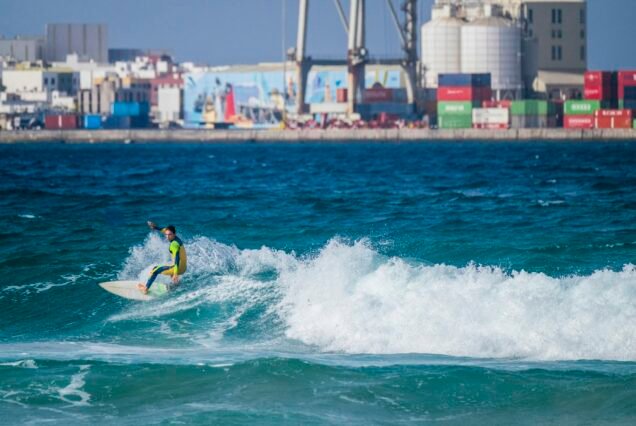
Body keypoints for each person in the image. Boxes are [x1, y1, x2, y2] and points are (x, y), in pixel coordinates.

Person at [138, 221, 187, 294]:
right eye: (166, 235)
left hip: (178, 268)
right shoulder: (176, 239)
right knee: (169, 265)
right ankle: (177, 284)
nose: (167, 237)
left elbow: (177, 258)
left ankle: (145, 288)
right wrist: (155, 227)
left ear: (174, 234)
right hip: (184, 267)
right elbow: (164, 230)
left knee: (155, 270)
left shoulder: (174, 244)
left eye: (169, 235)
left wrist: (175, 273)